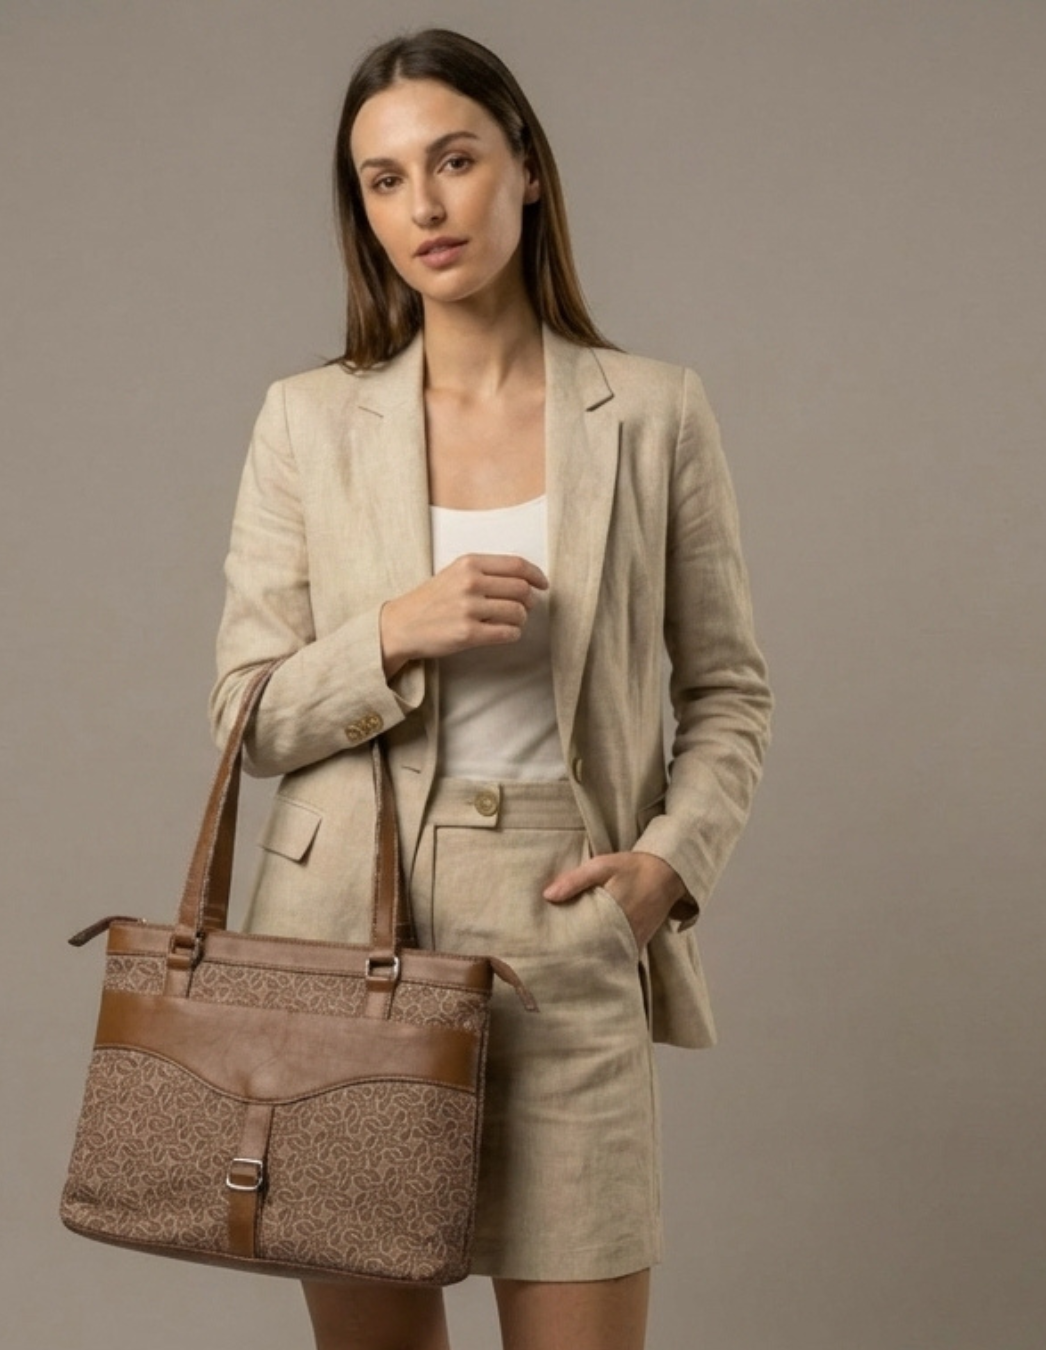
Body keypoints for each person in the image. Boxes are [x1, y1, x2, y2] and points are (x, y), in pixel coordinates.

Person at [208, 26, 773, 1350]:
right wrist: (392, 631)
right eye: (385, 178)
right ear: (364, 211)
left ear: (524, 169)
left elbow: (733, 690)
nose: (425, 204)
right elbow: (247, 712)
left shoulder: (653, 411)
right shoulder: (306, 421)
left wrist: (667, 866)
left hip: (566, 922)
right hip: (344, 936)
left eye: (453, 160)